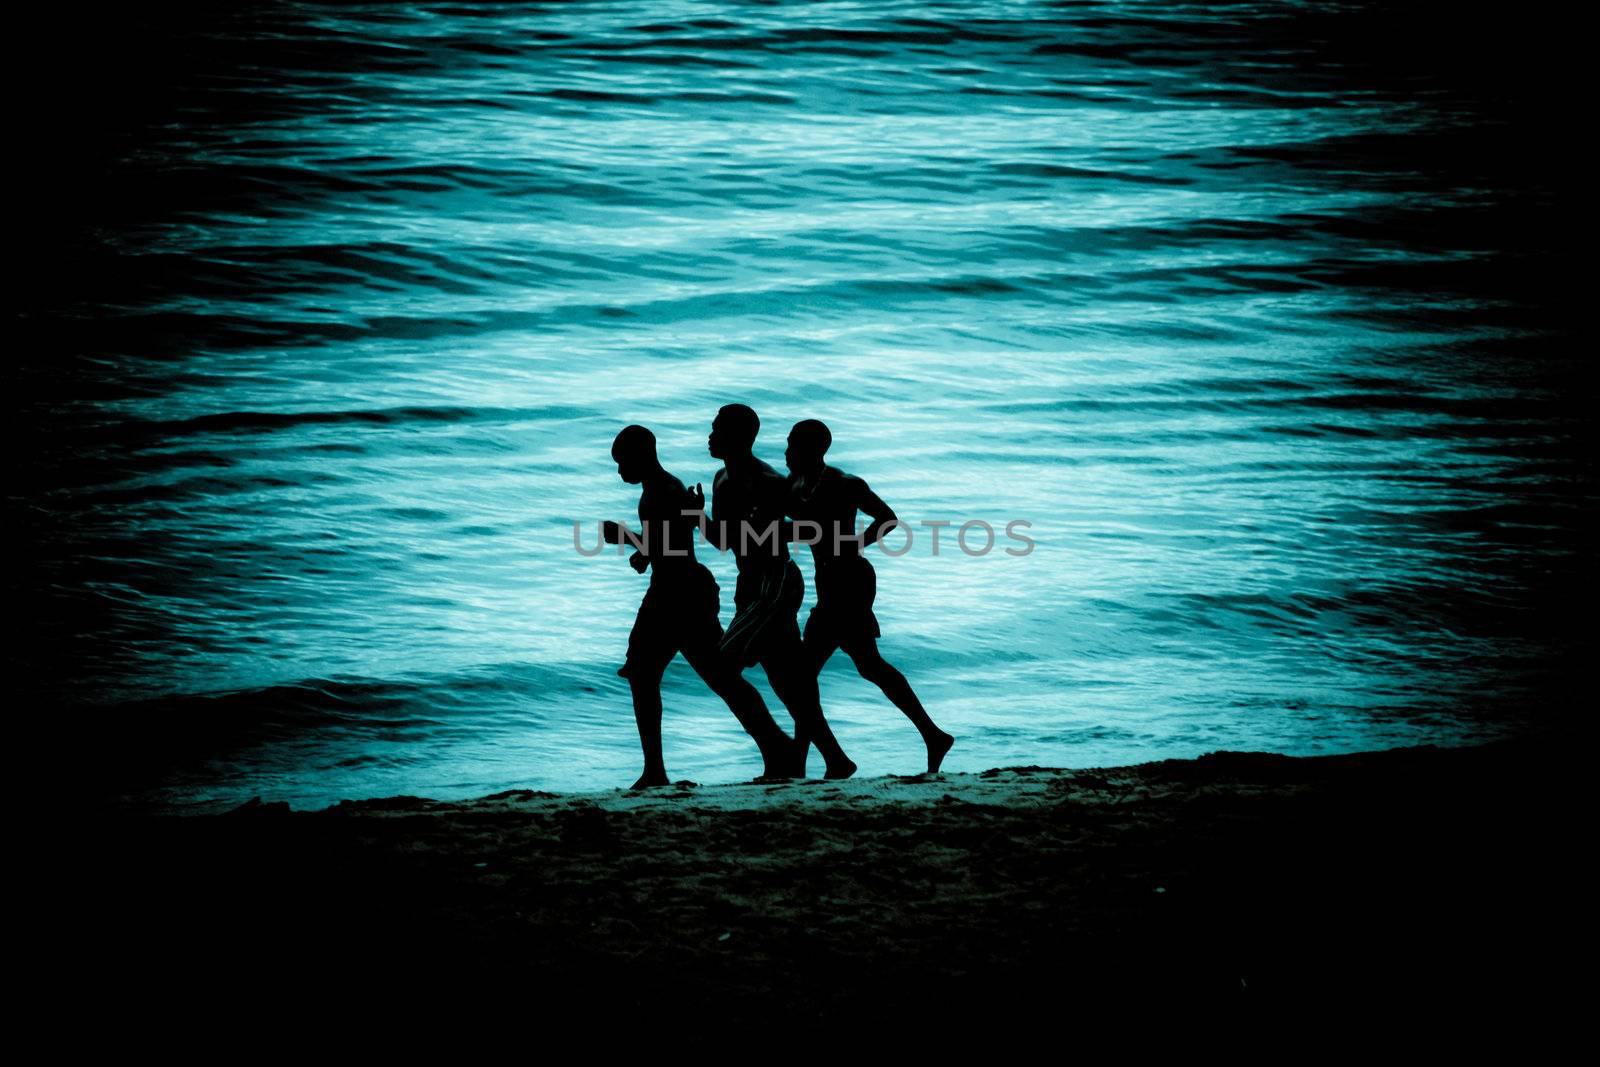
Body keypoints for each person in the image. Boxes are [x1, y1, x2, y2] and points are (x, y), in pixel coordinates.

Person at [602, 425, 800, 788]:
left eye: (622, 462)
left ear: (642, 454)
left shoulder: (663, 490)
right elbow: (667, 544)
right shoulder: (659, 489)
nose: (619, 472)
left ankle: (657, 771)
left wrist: (627, 538)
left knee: (655, 676)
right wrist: (642, 554)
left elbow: (671, 547)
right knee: (714, 677)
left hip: (676, 593)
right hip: (679, 588)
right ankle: (776, 745)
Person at [688, 405, 856, 780]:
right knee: (786, 680)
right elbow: (721, 543)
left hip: (774, 583)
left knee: (723, 665)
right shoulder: (720, 478)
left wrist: (772, 531)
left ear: (738, 437)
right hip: (750, 584)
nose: (710, 436)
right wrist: (697, 515)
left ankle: (779, 747)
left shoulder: (768, 480)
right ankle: (832, 758)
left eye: (716, 431)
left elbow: (814, 526)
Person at [784, 419, 954, 774]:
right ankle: (933, 735)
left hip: (850, 578)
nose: (785, 452)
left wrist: (855, 544)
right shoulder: (796, 483)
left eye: (791, 446)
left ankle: (803, 764)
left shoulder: (844, 483)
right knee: (866, 666)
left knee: (804, 674)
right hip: (828, 580)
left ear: (811, 450)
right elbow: (796, 526)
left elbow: (887, 518)